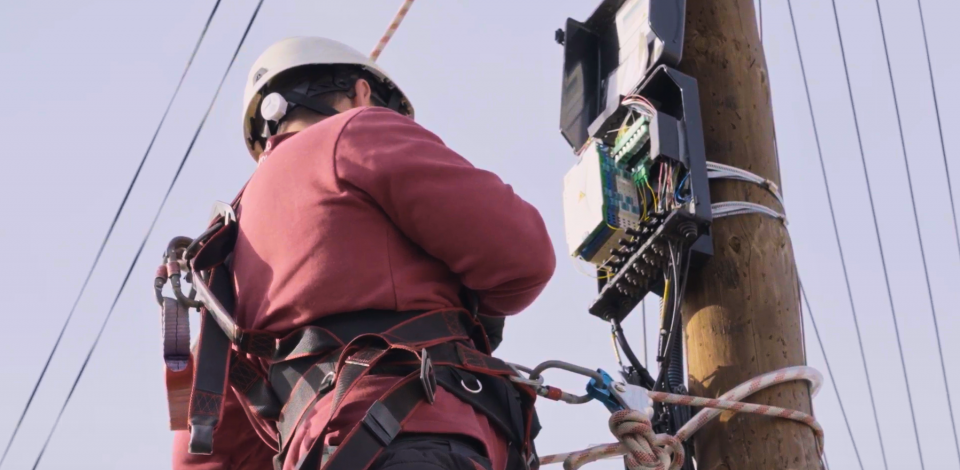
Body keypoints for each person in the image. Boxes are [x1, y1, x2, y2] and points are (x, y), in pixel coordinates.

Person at [170, 37, 555, 470]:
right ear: (362, 94)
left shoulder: (222, 249)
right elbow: (524, 255)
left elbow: (200, 452)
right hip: (417, 440)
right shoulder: (355, 132)